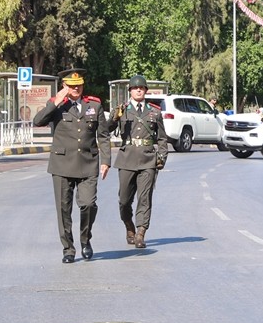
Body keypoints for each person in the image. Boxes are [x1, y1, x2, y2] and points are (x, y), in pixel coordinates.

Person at [32, 69, 111, 263]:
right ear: (64, 86)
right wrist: (55, 102)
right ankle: (68, 248)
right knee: (63, 210)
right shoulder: (57, 105)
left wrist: (106, 161)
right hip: (62, 165)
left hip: (87, 163)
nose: (76, 88)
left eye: (79, 85)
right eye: (71, 86)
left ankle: (85, 239)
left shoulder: (94, 105)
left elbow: (103, 135)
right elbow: (38, 121)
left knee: (88, 204)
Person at [109, 74, 169, 249]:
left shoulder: (154, 112)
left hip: (147, 160)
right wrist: (115, 117)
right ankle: (129, 226)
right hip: (126, 159)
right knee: (124, 200)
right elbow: (106, 128)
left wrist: (162, 157)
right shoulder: (122, 110)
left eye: (141, 88)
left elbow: (162, 138)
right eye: (135, 88)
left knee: (145, 198)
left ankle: (141, 233)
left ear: (145, 91)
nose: (138, 90)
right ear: (130, 91)